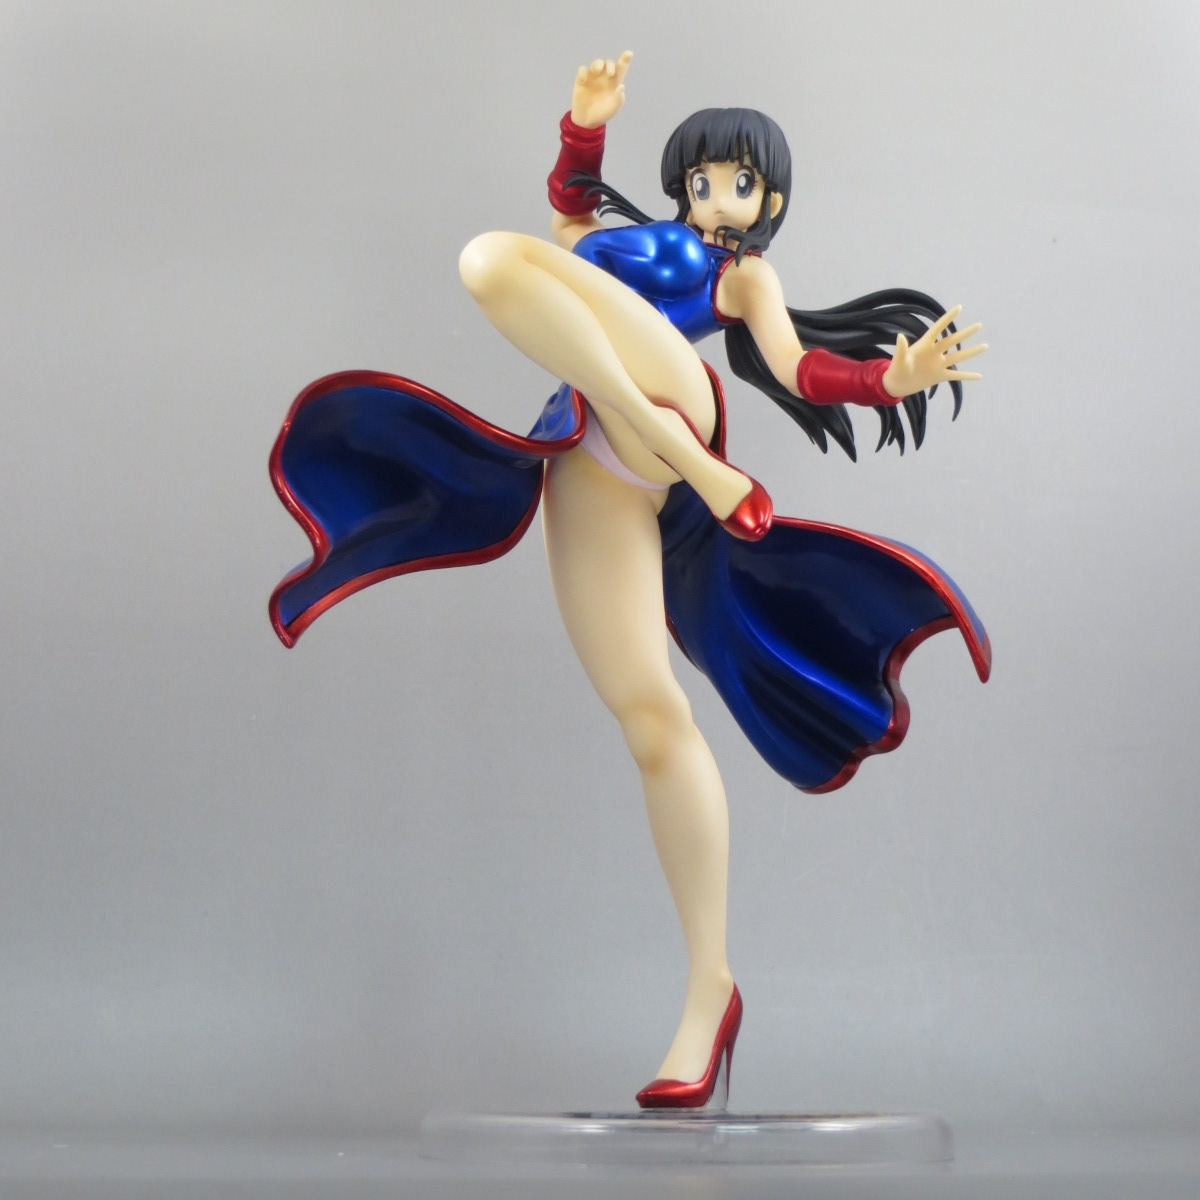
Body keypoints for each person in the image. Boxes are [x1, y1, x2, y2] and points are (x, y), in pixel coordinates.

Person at [269, 51, 989, 1110]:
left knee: (492, 258)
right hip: (593, 455)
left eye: (737, 181)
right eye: (700, 178)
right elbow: (563, 224)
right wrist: (585, 125)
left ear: (768, 199)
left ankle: (695, 456)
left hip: (677, 401)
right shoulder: (617, 242)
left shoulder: (742, 278)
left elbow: (797, 366)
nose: (714, 195)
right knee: (652, 719)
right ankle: (711, 991)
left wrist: (894, 378)